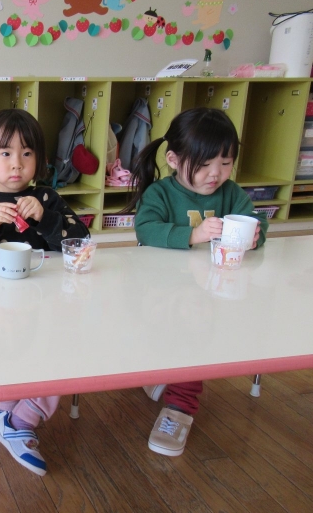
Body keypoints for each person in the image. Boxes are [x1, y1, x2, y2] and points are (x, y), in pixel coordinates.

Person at [125, 107, 269, 457]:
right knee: (158, 340)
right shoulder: (160, 193)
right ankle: (162, 376)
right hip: (162, 290)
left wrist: (255, 236)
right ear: (173, 160)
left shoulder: (230, 193)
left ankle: (179, 409)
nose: (216, 174)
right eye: (204, 164)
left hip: (208, 295)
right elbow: (146, 229)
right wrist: (192, 234)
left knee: (195, 346)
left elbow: (256, 221)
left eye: (226, 162)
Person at [0, 108, 90, 476]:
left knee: (58, 349)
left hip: (46, 302)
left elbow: (80, 240)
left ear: (40, 159)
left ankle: (19, 418)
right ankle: (9, 407)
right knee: (6, 351)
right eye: (6, 153)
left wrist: (45, 218)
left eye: (27, 153)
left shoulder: (46, 197)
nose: (16, 163)